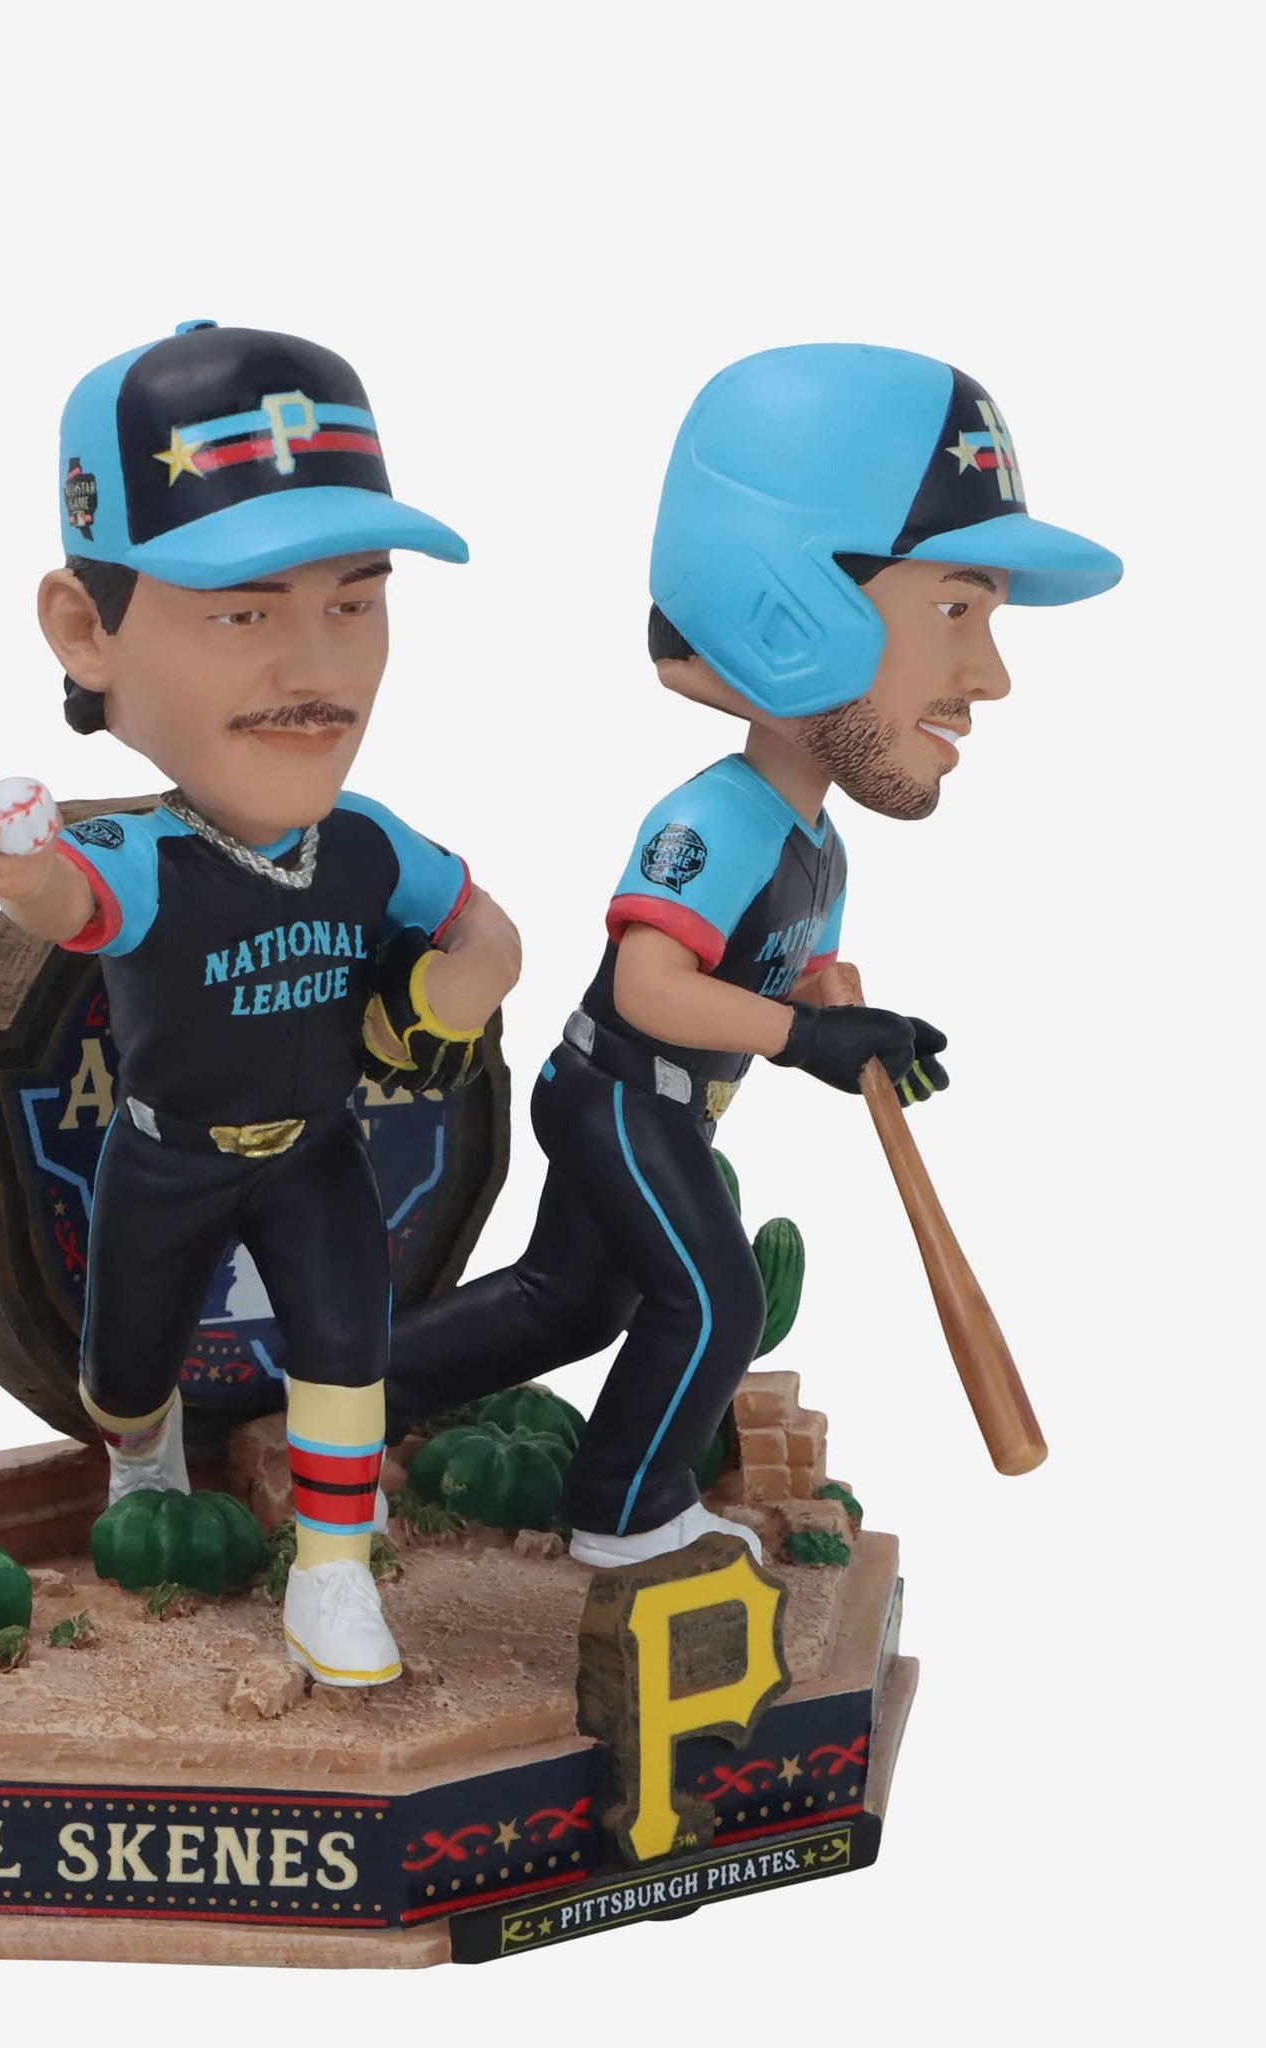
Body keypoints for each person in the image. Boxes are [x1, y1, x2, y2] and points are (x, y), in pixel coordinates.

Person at [383, 344, 1121, 1568]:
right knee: (714, 1299)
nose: (987, 675)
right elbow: (646, 984)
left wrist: (856, 1023)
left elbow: (803, 970)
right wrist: (803, 1037)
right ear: (792, 613)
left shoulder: (816, 843)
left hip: (668, 1104)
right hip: (618, 1092)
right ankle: (623, 1513)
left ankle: (344, 1394)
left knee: (566, 1302)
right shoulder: (713, 819)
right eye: (954, 607)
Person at [0, 320, 521, 1686]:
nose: (314, 666)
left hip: (314, 1146)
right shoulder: (150, 854)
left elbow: (486, 928)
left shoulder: (368, 844)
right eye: (242, 612)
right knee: (123, 1363)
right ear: (88, 630)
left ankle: (332, 1571)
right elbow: (77, 900)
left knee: (346, 1344)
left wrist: (452, 997)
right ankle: (141, 1456)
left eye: (354, 602)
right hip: (166, 1155)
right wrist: (20, 872)